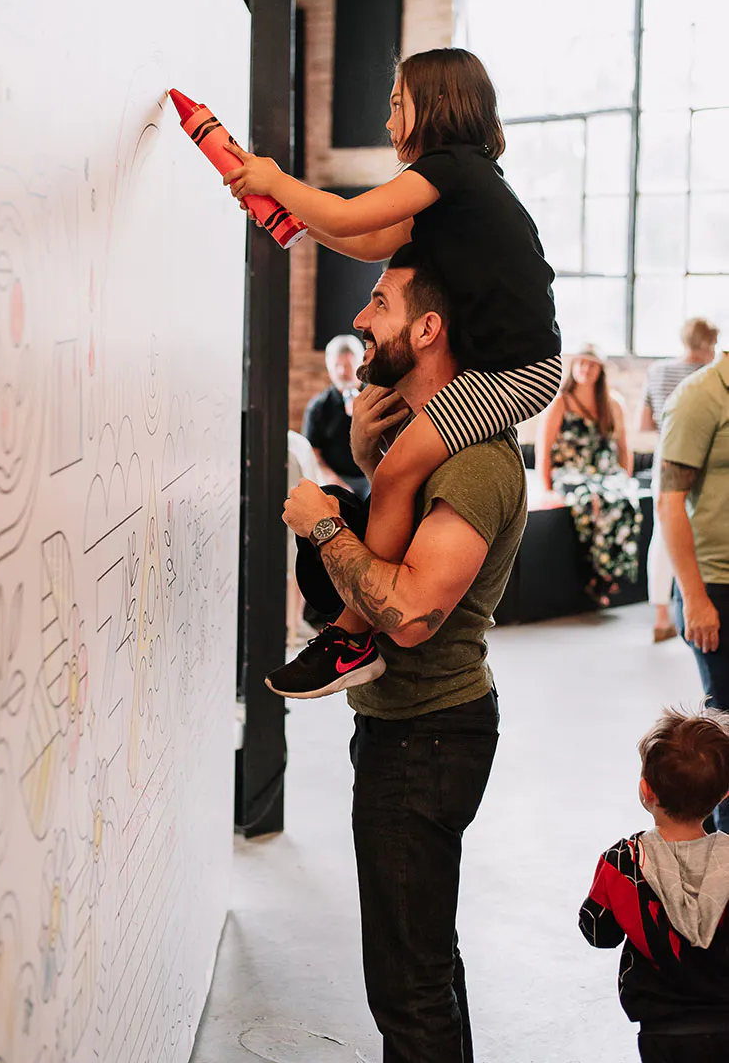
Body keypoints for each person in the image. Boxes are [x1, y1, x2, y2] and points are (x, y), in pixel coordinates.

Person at [226, 47, 560, 697]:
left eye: (396, 105)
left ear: (435, 107)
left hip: (517, 370)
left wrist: (273, 178)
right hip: (507, 363)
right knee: (396, 460)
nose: (386, 122)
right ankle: (351, 633)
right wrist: (294, 223)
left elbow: (353, 214)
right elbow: (369, 240)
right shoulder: (454, 191)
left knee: (402, 466)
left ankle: (351, 640)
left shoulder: (450, 170)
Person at [279, 247, 527, 1062]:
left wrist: (322, 525)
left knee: (406, 982)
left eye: (377, 303)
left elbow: (413, 612)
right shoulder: (422, 449)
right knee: (422, 961)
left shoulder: (478, 462)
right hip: (405, 730)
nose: (358, 319)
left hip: (428, 736)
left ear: (427, 329)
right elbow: (396, 532)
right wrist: (364, 468)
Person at [579, 708, 729, 1063]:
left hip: (661, 1026)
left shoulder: (623, 862)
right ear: (724, 795)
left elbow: (599, 932)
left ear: (645, 790)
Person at [658, 348, 729, 827]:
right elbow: (669, 502)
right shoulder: (700, 397)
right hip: (716, 587)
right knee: (724, 738)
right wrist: (696, 599)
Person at [536, 344, 643, 606]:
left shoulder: (612, 403)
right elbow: (544, 450)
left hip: (606, 472)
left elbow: (623, 448)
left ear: (600, 370)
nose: (586, 369)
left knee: (626, 501)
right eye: (581, 363)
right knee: (589, 501)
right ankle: (593, 572)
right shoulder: (561, 402)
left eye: (592, 364)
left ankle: (609, 573)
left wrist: (625, 479)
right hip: (571, 473)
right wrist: (546, 489)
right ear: (573, 366)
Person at [640, 319, 719, 642]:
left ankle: (661, 617)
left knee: (663, 532)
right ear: (706, 343)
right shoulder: (708, 377)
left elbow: (643, 423)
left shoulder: (657, 372)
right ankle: (700, 603)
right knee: (697, 528)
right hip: (703, 459)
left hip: (665, 455)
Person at [302, 334, 370, 498]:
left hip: (374, 477)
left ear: (361, 365)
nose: (342, 372)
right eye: (336, 366)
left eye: (348, 365)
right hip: (337, 480)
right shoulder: (318, 407)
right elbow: (313, 455)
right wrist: (335, 482)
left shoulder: (377, 398)